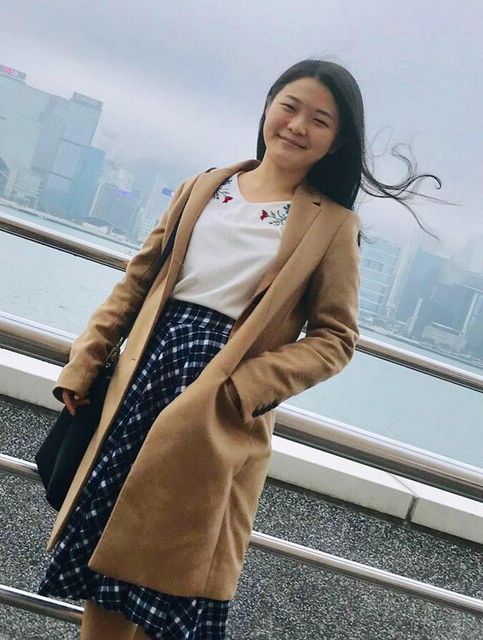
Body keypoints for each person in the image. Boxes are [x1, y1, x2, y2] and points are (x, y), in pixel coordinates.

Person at [37, 59, 441, 639]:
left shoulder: (332, 226)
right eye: (290, 106)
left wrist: (240, 390)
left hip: (214, 411)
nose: (297, 125)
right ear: (268, 107)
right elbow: (137, 283)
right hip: (144, 381)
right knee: (108, 568)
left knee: (161, 580)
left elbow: (335, 338)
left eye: (320, 120)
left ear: (336, 141)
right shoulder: (205, 186)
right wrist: (85, 363)